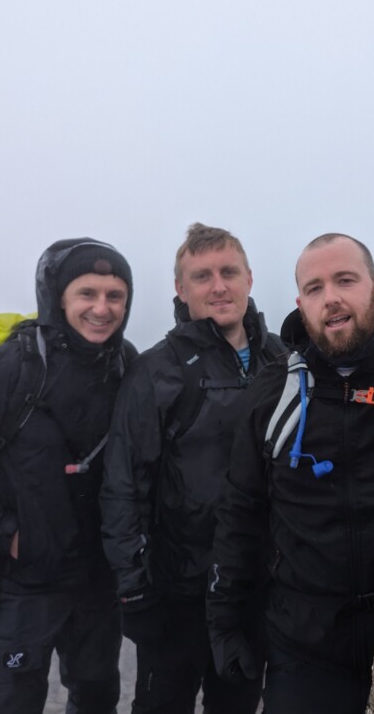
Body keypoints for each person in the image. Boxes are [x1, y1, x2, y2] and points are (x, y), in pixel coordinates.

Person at [0, 238, 135, 714]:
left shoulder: (125, 366)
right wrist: (7, 534)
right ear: (59, 298)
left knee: (97, 696)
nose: (102, 308)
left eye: (115, 296)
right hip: (22, 580)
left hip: (97, 580)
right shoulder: (8, 369)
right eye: (87, 294)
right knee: (13, 702)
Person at [208, 233, 374, 714]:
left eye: (345, 280)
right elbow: (241, 513)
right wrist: (226, 620)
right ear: (300, 303)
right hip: (304, 645)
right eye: (314, 287)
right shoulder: (273, 393)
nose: (331, 297)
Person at [100, 223, 284, 714]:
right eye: (202, 276)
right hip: (177, 591)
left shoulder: (282, 361)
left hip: (252, 587)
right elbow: (123, 487)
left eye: (228, 272)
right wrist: (133, 590)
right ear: (181, 290)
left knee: (237, 704)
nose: (218, 285)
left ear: (249, 278)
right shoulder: (157, 371)